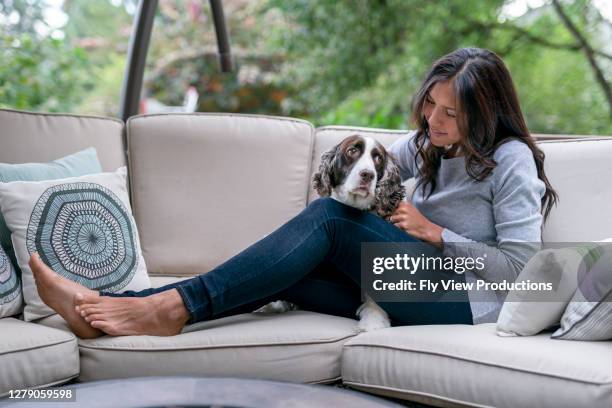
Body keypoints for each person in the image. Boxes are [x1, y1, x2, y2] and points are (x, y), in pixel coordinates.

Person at [30, 47, 557, 339]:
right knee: (288, 270)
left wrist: (435, 233)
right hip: (403, 280)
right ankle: (107, 307)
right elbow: (365, 168)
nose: (432, 120)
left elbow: (523, 272)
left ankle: (167, 309)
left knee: (329, 220)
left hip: (465, 303)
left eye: (450, 113)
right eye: (429, 105)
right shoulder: (425, 144)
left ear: (484, 113)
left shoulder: (509, 159)